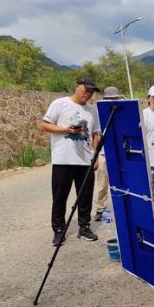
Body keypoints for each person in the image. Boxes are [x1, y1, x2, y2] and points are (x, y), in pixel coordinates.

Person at [41, 77, 101, 246]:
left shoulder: (92, 111)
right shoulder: (60, 104)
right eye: (85, 90)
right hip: (63, 159)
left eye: (91, 92)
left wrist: (96, 156)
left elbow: (95, 134)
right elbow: (45, 126)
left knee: (85, 196)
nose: (88, 94)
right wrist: (66, 130)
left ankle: (84, 226)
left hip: (86, 160)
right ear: (77, 87)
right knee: (60, 196)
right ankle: (59, 229)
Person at [93, 86, 125, 221]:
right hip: (103, 153)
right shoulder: (97, 114)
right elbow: (94, 135)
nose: (112, 101)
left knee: (122, 181)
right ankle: (100, 208)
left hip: (119, 152)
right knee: (102, 183)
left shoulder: (122, 113)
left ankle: (123, 207)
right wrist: (95, 156)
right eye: (109, 99)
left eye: (114, 99)